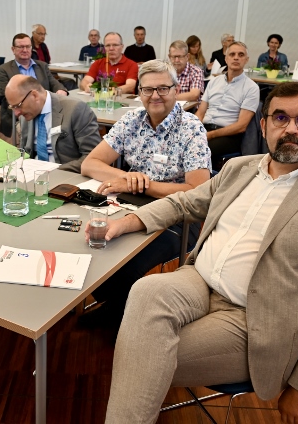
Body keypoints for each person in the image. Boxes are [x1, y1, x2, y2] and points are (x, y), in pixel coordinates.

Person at [100, 81, 298, 423]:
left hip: (255, 319)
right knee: (145, 290)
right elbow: (185, 201)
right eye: (280, 118)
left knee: (139, 355)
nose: (292, 128)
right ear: (264, 125)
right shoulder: (239, 168)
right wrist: (131, 220)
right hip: (198, 281)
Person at [80, 60, 211, 329]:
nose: (155, 96)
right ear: (139, 92)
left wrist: (143, 184)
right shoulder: (131, 120)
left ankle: (121, 319)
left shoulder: (191, 128)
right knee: (95, 243)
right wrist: (125, 178)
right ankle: (118, 306)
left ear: (176, 90)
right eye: (148, 90)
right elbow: (89, 164)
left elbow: (198, 192)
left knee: (127, 264)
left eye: (163, 88)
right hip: (129, 206)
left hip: (177, 216)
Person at [6, 75, 101, 173]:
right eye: (12, 107)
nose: (16, 113)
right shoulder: (26, 113)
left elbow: (93, 157)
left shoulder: (75, 109)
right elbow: (25, 152)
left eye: (18, 106)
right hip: (32, 175)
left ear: (34, 95)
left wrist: (52, 171)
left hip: (65, 175)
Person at [195, 41, 260, 166]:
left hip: (229, 135)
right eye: (232, 54)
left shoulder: (251, 88)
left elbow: (241, 126)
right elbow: (200, 112)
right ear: (226, 58)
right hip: (205, 130)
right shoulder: (214, 82)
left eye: (241, 55)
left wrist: (211, 135)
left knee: (199, 150)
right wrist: (194, 129)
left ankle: (199, 183)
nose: (236, 57)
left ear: (246, 60)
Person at [0, 33, 68, 139]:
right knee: (29, 134)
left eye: (28, 46)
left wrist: (61, 90)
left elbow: (53, 82)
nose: (25, 50)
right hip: (21, 115)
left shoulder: (42, 66)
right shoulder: (4, 69)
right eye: (21, 47)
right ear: (13, 49)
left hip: (46, 111)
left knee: (66, 128)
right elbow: (5, 96)